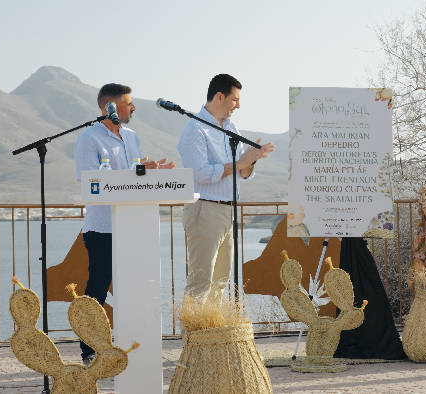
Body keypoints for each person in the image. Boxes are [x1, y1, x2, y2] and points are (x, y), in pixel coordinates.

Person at [74, 83, 175, 366]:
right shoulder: (89, 139)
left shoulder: (132, 137)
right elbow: (90, 181)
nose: (133, 108)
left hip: (134, 226)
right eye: (128, 103)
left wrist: (149, 170)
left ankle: (136, 345)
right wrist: (137, 173)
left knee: (137, 286)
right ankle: (89, 350)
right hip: (103, 226)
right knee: (98, 289)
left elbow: (133, 176)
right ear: (111, 106)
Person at [178, 74, 275, 303]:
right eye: (235, 99)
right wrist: (240, 163)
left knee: (220, 281)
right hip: (205, 209)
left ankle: (211, 335)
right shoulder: (195, 129)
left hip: (228, 209)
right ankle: (191, 336)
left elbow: (243, 172)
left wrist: (252, 161)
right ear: (219, 96)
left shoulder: (231, 128)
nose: (239, 106)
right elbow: (201, 173)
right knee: (201, 280)